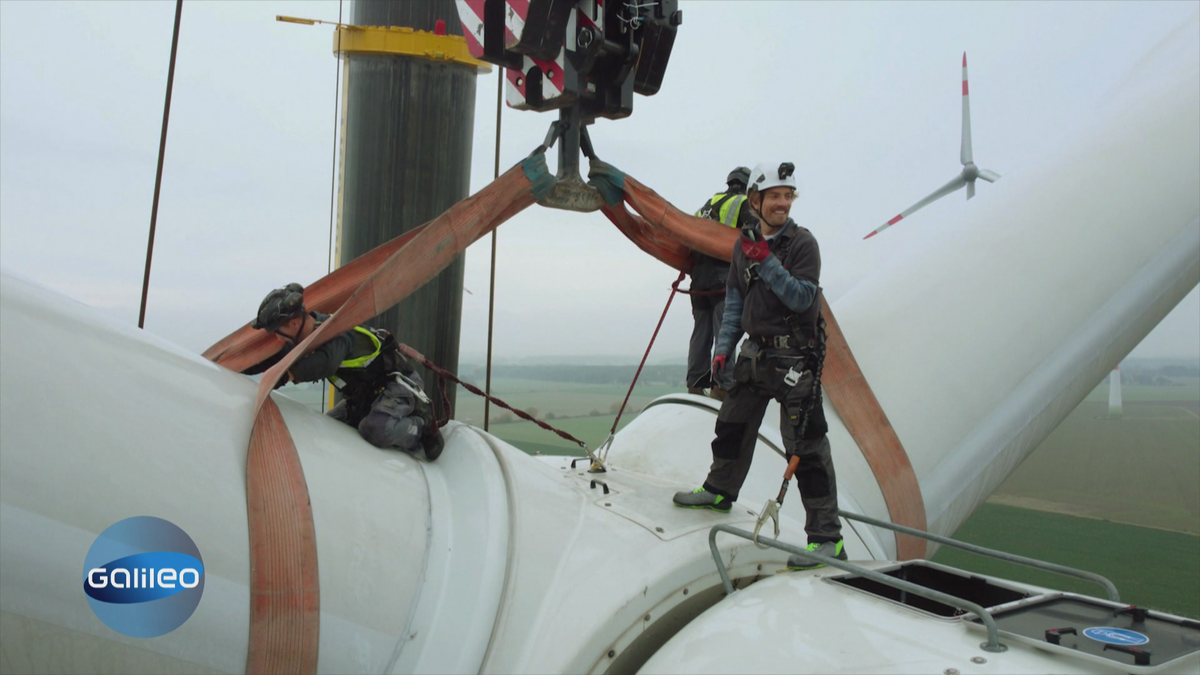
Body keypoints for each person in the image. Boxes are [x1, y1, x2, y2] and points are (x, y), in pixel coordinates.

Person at [672, 161, 845, 571]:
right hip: (755, 354)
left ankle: (827, 541)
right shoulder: (743, 244)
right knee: (732, 424)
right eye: (775, 197)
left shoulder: (803, 245)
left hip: (795, 359)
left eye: (788, 196)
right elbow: (734, 299)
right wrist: (723, 348)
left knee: (806, 449)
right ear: (756, 201)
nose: (783, 203)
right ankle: (719, 491)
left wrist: (765, 260)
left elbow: (803, 298)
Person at [243, 283, 444, 460]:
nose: (278, 340)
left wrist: (287, 375)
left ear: (294, 323)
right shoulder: (306, 338)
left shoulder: (336, 331)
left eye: (278, 333)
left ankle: (422, 427)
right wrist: (237, 367)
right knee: (323, 428)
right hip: (365, 397)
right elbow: (276, 356)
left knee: (374, 429)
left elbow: (326, 361)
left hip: (397, 388)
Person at [688, 166, 756, 400]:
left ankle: (695, 386)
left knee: (701, 335)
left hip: (698, 282)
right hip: (723, 280)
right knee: (725, 334)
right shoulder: (743, 203)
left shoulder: (706, 206)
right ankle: (722, 388)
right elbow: (754, 237)